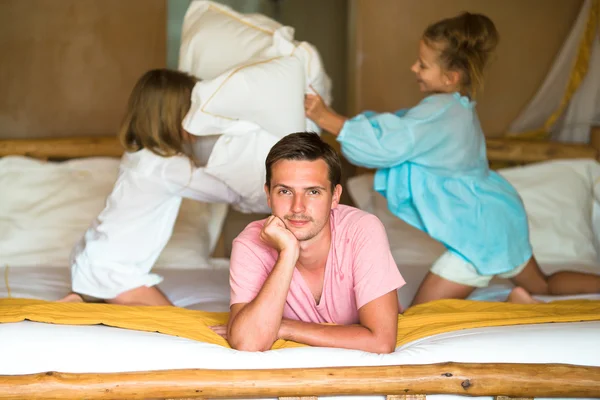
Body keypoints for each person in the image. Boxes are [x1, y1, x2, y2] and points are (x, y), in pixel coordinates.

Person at [304, 12, 600, 306]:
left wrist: (325, 117)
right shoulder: (458, 109)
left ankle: (507, 300)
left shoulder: (437, 113)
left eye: (423, 64)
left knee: (420, 318)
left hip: (477, 234)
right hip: (500, 217)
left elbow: (384, 144)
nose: (414, 68)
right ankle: (518, 296)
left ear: (450, 77)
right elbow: (394, 128)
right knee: (542, 285)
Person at [59, 69, 269, 306]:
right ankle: (80, 301)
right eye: (194, 112)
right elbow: (229, 192)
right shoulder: (170, 168)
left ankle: (82, 298)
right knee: (175, 323)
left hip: (93, 256)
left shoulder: (139, 154)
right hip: (116, 271)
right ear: (177, 118)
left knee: (118, 303)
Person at [217, 132, 405, 353]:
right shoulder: (249, 243)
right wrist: (288, 253)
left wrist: (285, 327)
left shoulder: (362, 230)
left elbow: (381, 342)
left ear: (335, 196)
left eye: (313, 192)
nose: (298, 207)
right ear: (268, 195)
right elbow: (249, 342)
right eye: (285, 191)